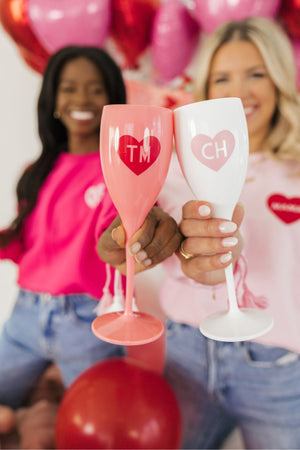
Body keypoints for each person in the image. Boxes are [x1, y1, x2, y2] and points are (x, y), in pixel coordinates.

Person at [98, 17, 300, 449]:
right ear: (204, 88)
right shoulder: (169, 166)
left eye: (257, 74)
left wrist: (230, 250)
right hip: (187, 353)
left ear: (281, 79)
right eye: (221, 77)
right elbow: (163, 227)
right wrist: (150, 241)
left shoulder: (296, 170)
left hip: (277, 367)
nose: (239, 91)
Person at [0, 43, 181, 418]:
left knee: (97, 421)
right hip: (24, 317)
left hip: (85, 322)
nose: (82, 98)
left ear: (112, 99)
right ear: (52, 98)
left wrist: (124, 236)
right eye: (68, 87)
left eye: (96, 88)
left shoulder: (119, 174)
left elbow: (113, 231)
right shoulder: (35, 171)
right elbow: (28, 245)